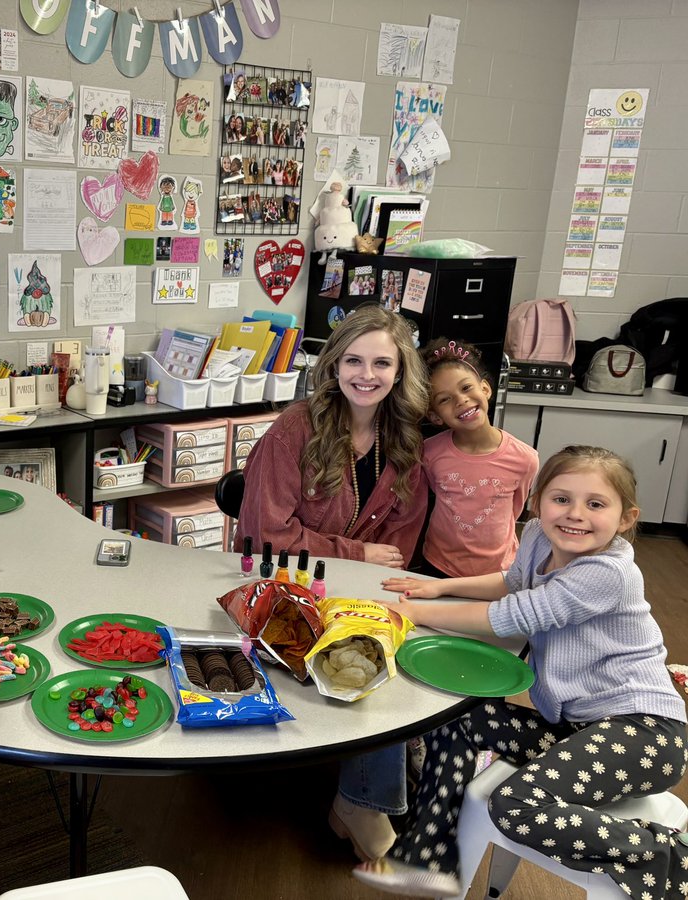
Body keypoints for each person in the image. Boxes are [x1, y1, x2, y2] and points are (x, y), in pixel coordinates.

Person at [360, 446, 688, 898]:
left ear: (626, 517)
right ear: (537, 502)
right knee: (455, 719)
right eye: (561, 499)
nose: (575, 515)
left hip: (645, 733)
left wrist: (408, 612)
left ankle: (663, 855)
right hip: (578, 727)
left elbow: (512, 615)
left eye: (595, 504)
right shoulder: (537, 534)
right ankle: (430, 856)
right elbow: (514, 581)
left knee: (513, 805)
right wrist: (439, 587)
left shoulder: (608, 573)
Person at [235, 305, 430, 861]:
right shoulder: (297, 426)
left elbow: (401, 545)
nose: (366, 375)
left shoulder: (405, 440)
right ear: (334, 363)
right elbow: (264, 533)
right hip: (280, 587)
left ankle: (364, 800)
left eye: (381, 363)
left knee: (387, 650)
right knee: (358, 657)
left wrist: (371, 576)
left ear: (399, 372)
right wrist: (355, 550)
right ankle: (364, 805)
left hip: (361, 586)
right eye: (353, 360)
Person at [416, 338, 538, 578]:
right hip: (439, 565)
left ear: (485, 389)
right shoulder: (429, 453)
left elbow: (515, 510)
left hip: (497, 572)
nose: (461, 400)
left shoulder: (525, 458)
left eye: (466, 388)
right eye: (444, 399)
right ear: (435, 416)